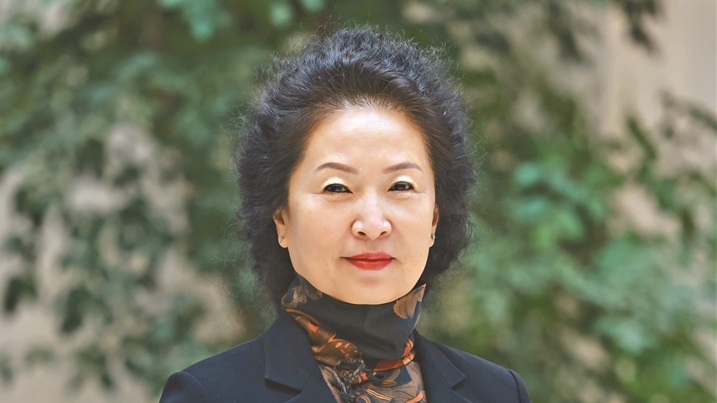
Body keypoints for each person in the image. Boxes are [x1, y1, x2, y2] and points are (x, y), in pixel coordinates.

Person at [159, 27, 532, 403]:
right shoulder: (209, 395)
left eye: (401, 186)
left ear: (435, 218)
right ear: (281, 217)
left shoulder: (499, 393)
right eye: (337, 188)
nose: (372, 225)